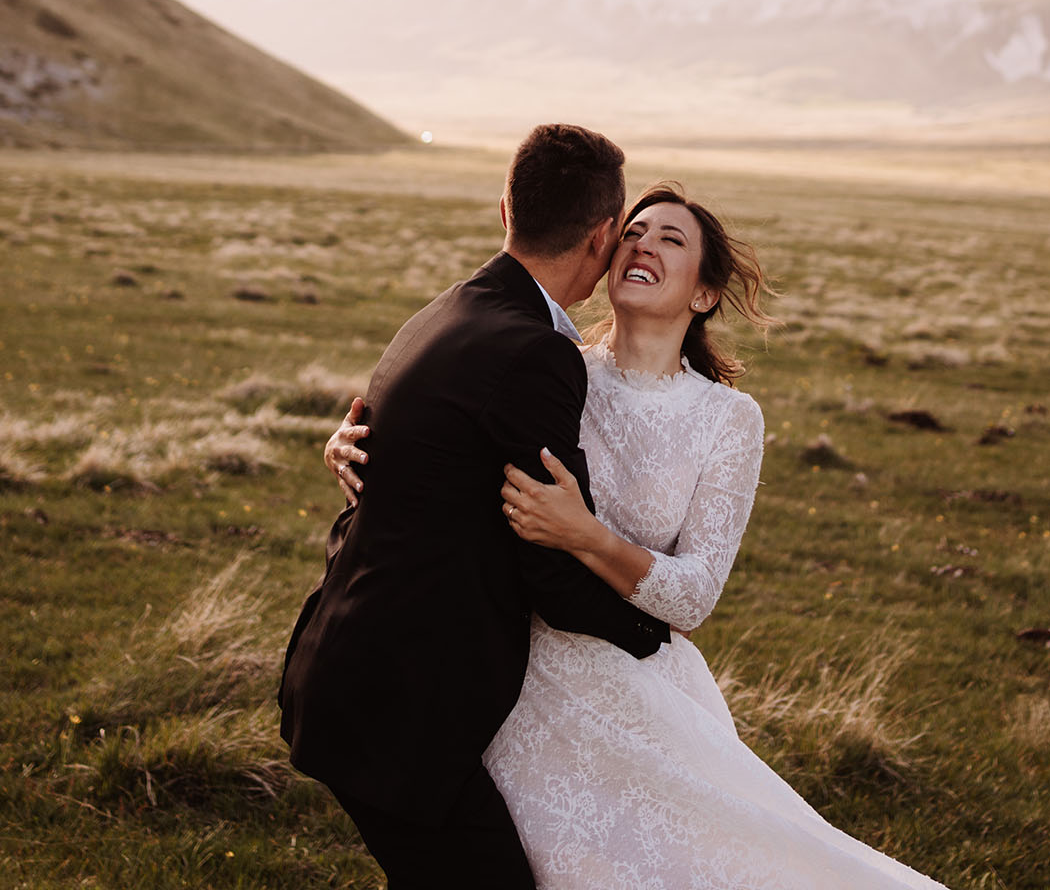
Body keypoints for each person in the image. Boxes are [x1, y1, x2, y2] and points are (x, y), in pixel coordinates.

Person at [327, 181, 949, 890]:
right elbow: (442, 439)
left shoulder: (728, 420)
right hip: (509, 680)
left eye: (671, 239)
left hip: (635, 689)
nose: (643, 244)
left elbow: (693, 597)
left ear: (705, 294)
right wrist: (350, 444)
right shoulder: (549, 364)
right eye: (633, 232)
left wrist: (588, 538)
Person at [278, 124, 670, 890]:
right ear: (601, 238)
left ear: (505, 211)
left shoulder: (447, 309)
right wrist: (652, 630)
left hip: (348, 673)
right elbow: (546, 555)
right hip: (398, 708)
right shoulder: (536, 351)